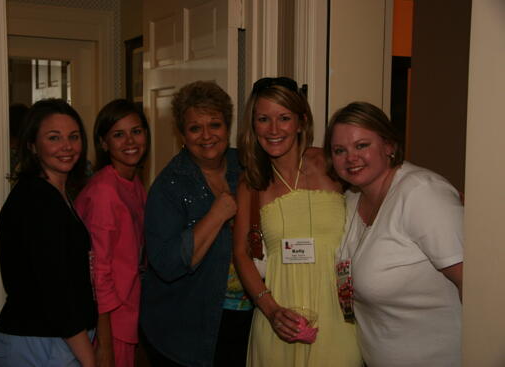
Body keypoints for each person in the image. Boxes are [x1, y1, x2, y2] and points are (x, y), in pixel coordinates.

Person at [233, 77, 362, 366]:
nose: (274, 129)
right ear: (253, 126)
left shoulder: (330, 164)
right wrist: (270, 309)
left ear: (301, 122)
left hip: (338, 318)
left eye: (284, 118)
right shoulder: (251, 182)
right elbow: (241, 252)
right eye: (263, 119)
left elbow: (378, 179)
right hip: (280, 320)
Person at [324, 101, 463, 366]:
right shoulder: (353, 198)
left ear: (389, 146)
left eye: (362, 145)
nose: (350, 157)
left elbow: (476, 285)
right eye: (339, 150)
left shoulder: (422, 193)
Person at [140, 81, 253, 367]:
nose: (206, 136)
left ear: (227, 127)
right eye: (194, 128)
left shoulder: (247, 166)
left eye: (214, 125)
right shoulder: (169, 187)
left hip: (247, 317)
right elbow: (166, 264)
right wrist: (216, 214)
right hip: (185, 329)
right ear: (182, 134)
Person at [0, 98, 97, 367]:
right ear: (33, 146)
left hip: (55, 343)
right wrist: (90, 361)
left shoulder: (56, 195)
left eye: (73, 136)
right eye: (54, 138)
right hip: (36, 346)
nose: (67, 146)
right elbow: (56, 293)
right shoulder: (36, 201)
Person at [75, 99, 149, 367]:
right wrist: (104, 346)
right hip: (108, 325)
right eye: (118, 134)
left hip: (128, 317)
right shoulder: (104, 192)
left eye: (136, 131)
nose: (130, 140)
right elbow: (98, 274)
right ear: (104, 143)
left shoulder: (133, 182)